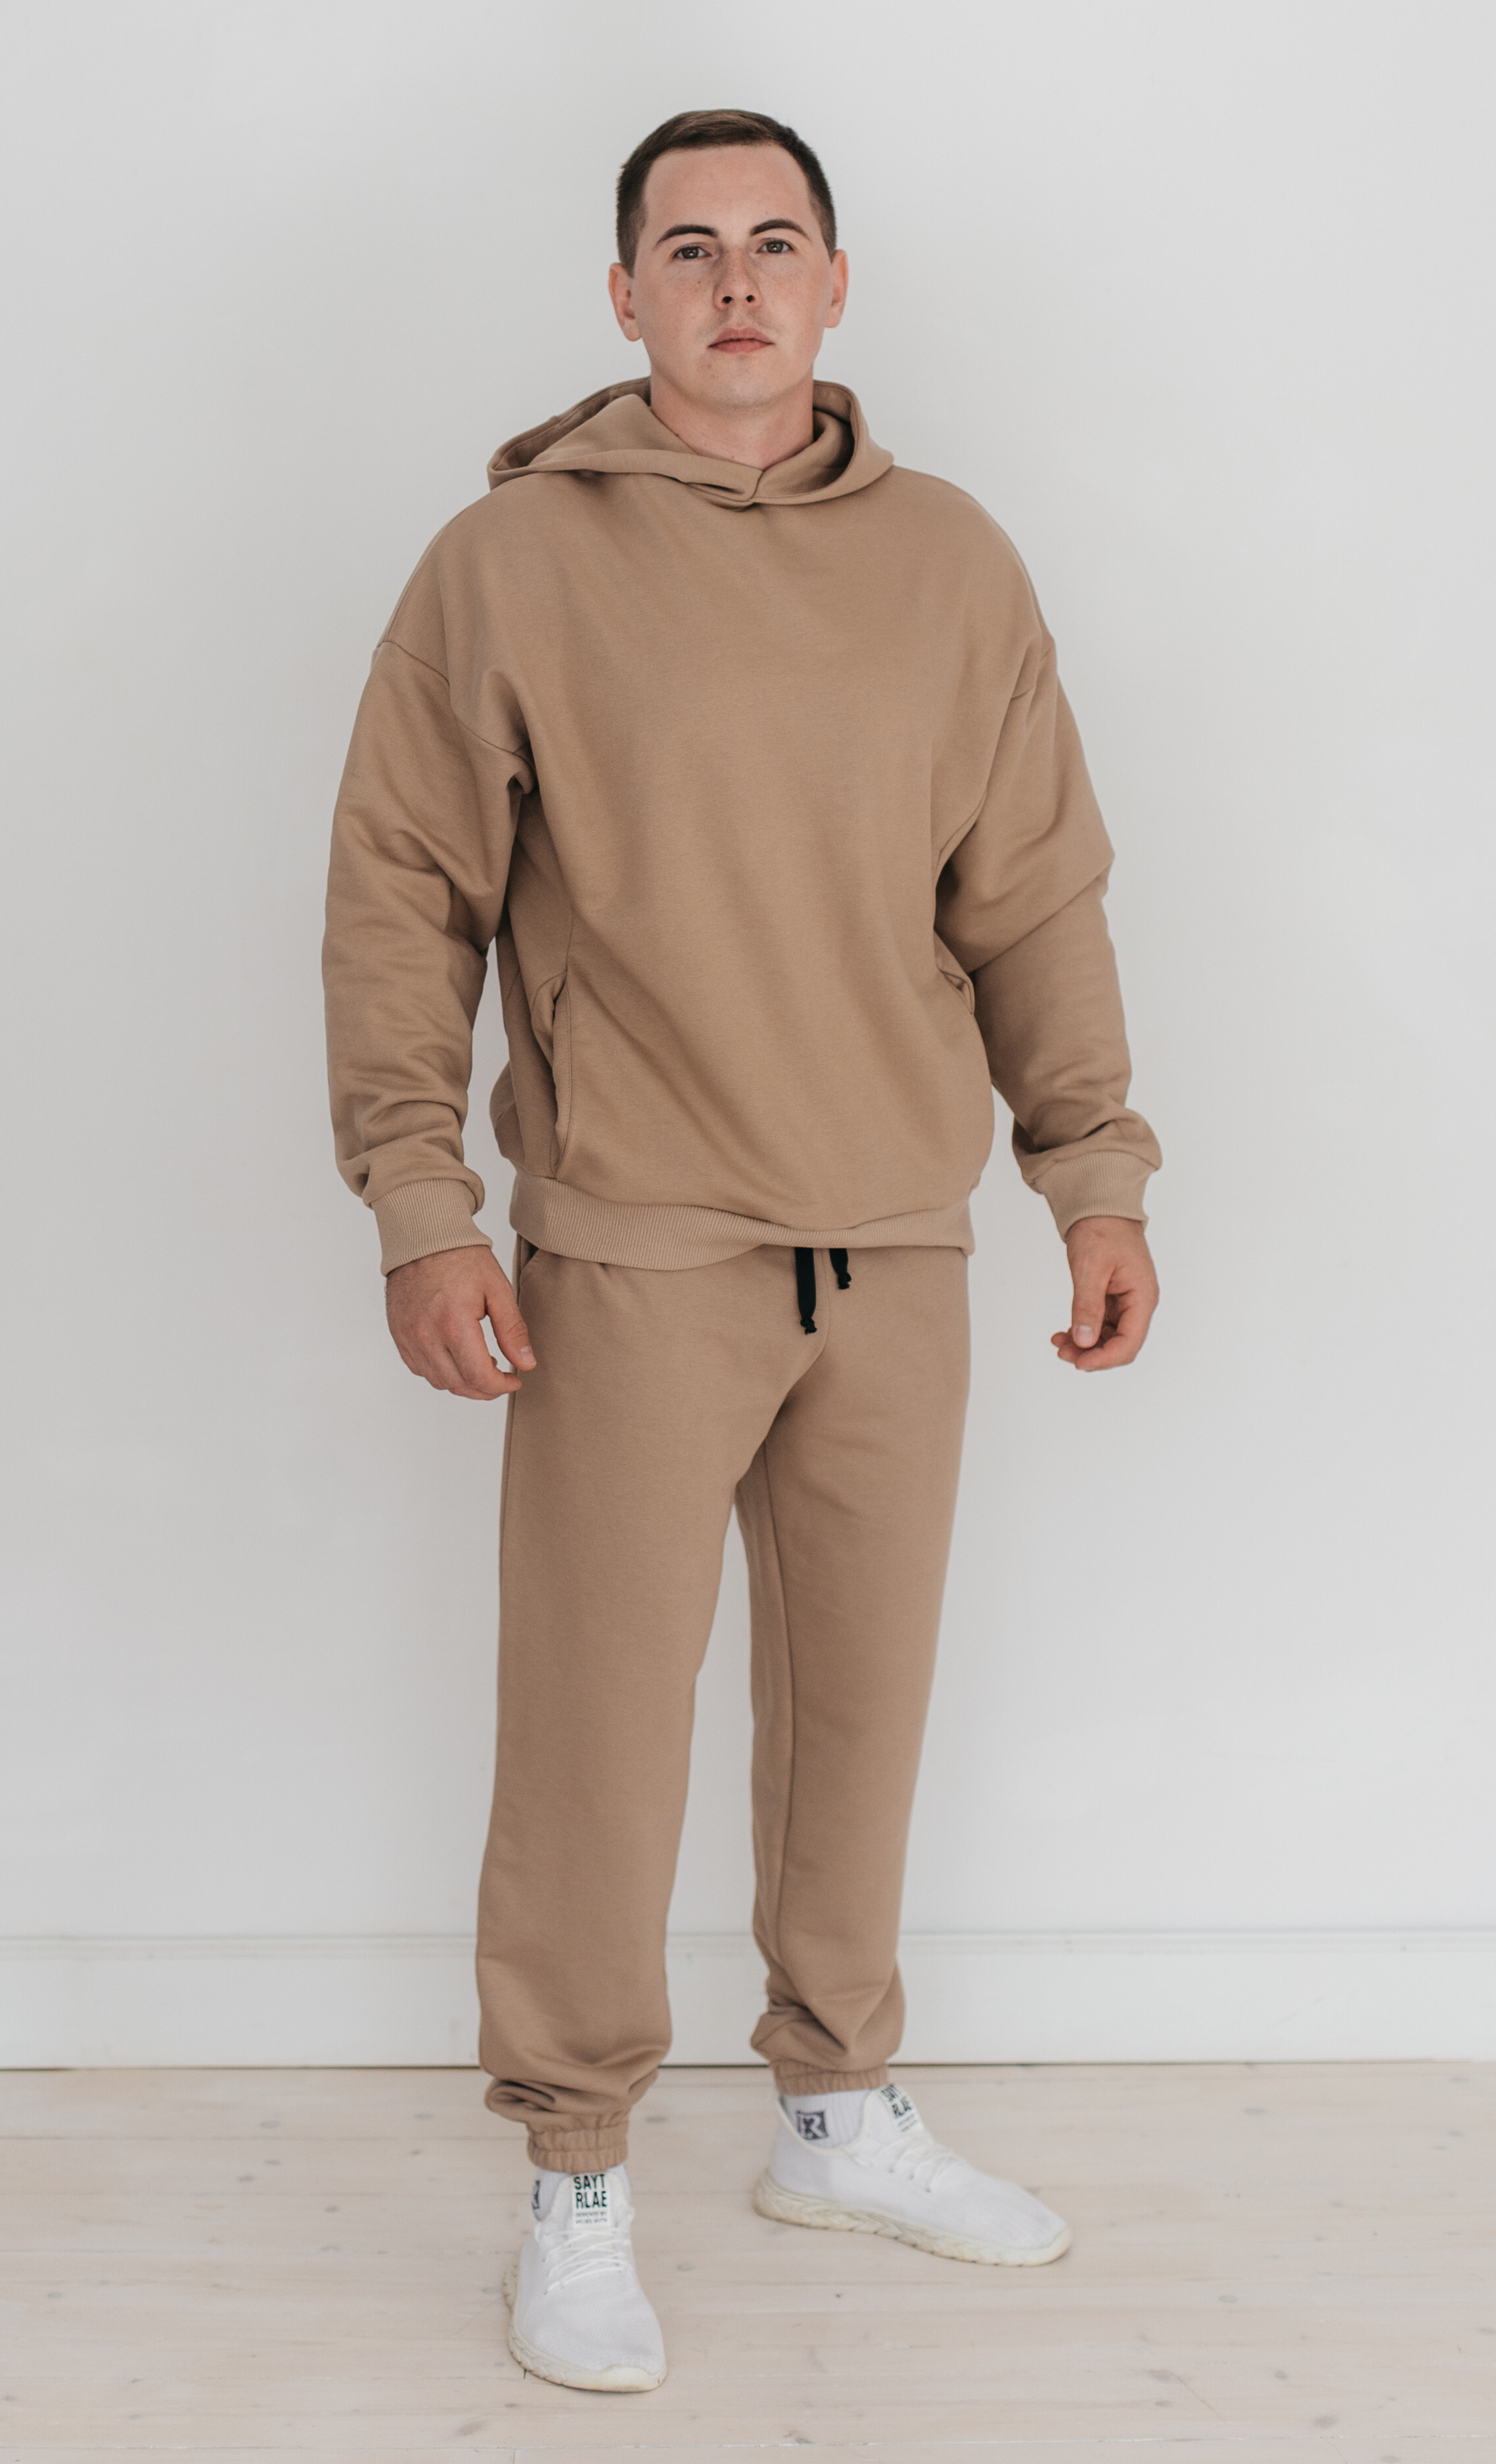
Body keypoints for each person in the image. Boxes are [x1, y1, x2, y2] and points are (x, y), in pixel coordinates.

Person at [323, 107, 1160, 2395]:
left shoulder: (952, 561)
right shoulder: (511, 563)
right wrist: (422, 1206)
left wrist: (1089, 1172)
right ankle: (575, 2173)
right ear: (623, 297)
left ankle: (832, 2112)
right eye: (685, 248)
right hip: (634, 1241)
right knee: (596, 1733)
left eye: (773, 241)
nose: (733, 282)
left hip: (894, 1239)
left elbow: (1035, 891)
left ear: (834, 283)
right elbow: (401, 899)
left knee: (859, 1711)